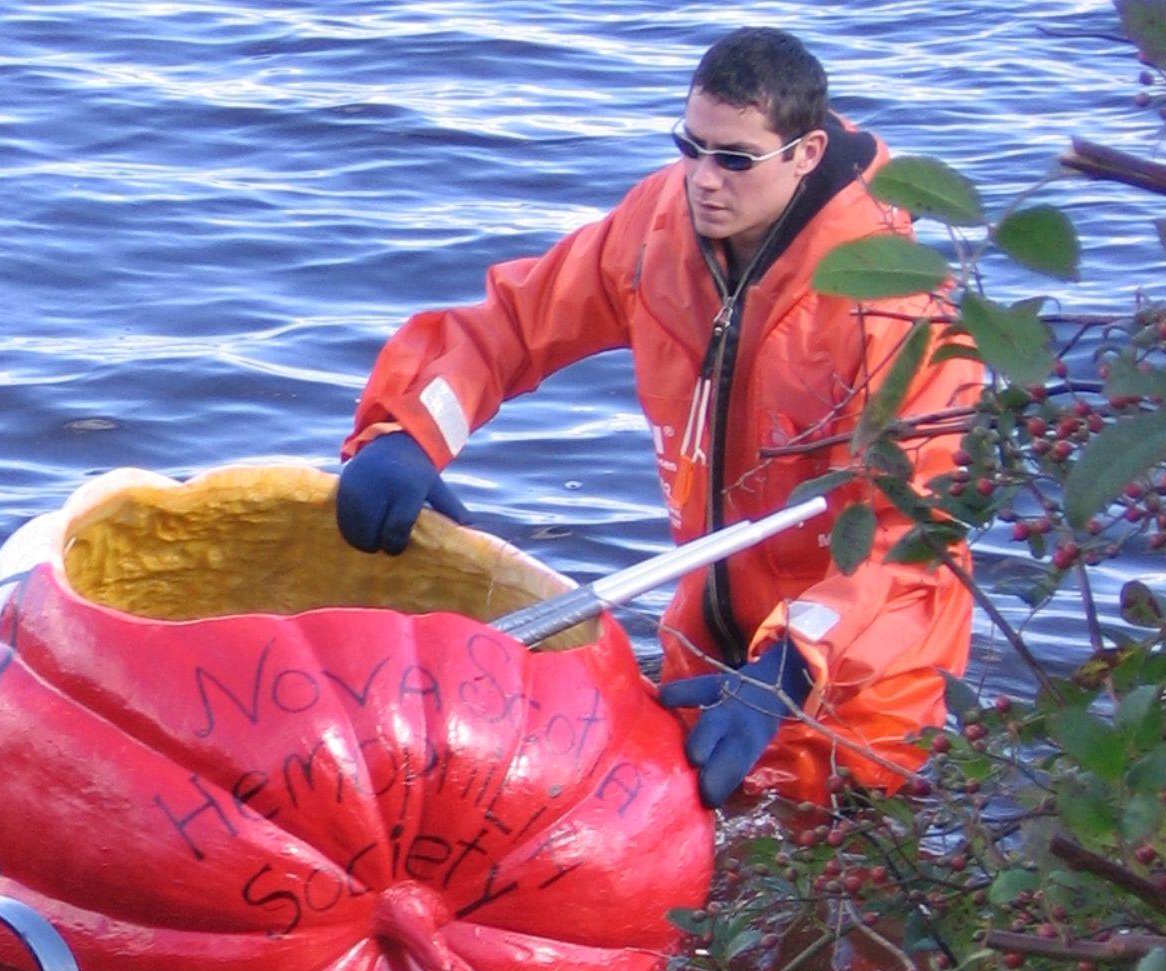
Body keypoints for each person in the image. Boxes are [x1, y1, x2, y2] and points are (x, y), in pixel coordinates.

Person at [333, 27, 979, 809]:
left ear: (805, 153)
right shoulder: (662, 228)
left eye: (734, 159)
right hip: (704, 637)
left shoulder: (894, 300)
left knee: (846, 895)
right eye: (690, 147)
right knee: (693, 900)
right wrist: (407, 434)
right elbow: (512, 326)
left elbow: (908, 540)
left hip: (858, 674)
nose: (704, 180)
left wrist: (792, 665)